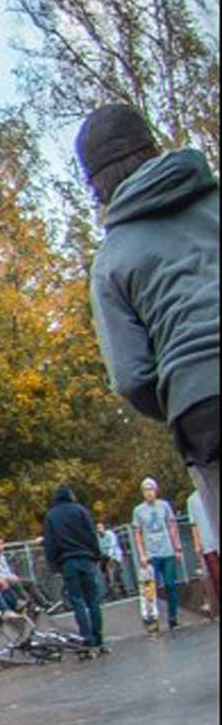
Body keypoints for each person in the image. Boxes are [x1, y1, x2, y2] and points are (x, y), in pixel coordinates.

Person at [77, 105, 218, 533]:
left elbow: (131, 375)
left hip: (203, 404)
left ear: (96, 184)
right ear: (154, 147)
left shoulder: (111, 260)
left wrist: (179, 393)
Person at [43, 486, 108, 656]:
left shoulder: (51, 516)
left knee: (77, 602)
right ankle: (99, 638)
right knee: (93, 601)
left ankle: (86, 639)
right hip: (86, 559)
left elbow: (50, 543)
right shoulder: (80, 511)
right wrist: (96, 554)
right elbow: (91, 534)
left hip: (67, 562)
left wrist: (54, 565)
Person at [132, 478, 186, 632]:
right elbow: (138, 533)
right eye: (146, 490)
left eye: (151, 489)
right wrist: (142, 554)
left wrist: (177, 548)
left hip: (167, 550)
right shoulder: (138, 510)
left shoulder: (164, 506)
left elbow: (172, 525)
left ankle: (173, 617)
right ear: (143, 493)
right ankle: (152, 619)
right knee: (150, 588)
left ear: (156, 490)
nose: (149, 493)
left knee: (170, 584)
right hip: (151, 554)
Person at [188, 485, 219, 616]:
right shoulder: (192, 500)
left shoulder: (214, 492)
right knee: (216, 576)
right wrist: (197, 543)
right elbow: (193, 524)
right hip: (208, 543)